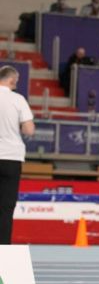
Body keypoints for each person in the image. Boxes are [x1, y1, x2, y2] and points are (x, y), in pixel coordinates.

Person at [0, 66, 35, 244]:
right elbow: (29, 129)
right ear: (12, 80)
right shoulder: (18, 99)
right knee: (6, 207)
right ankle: (3, 250)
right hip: (11, 157)